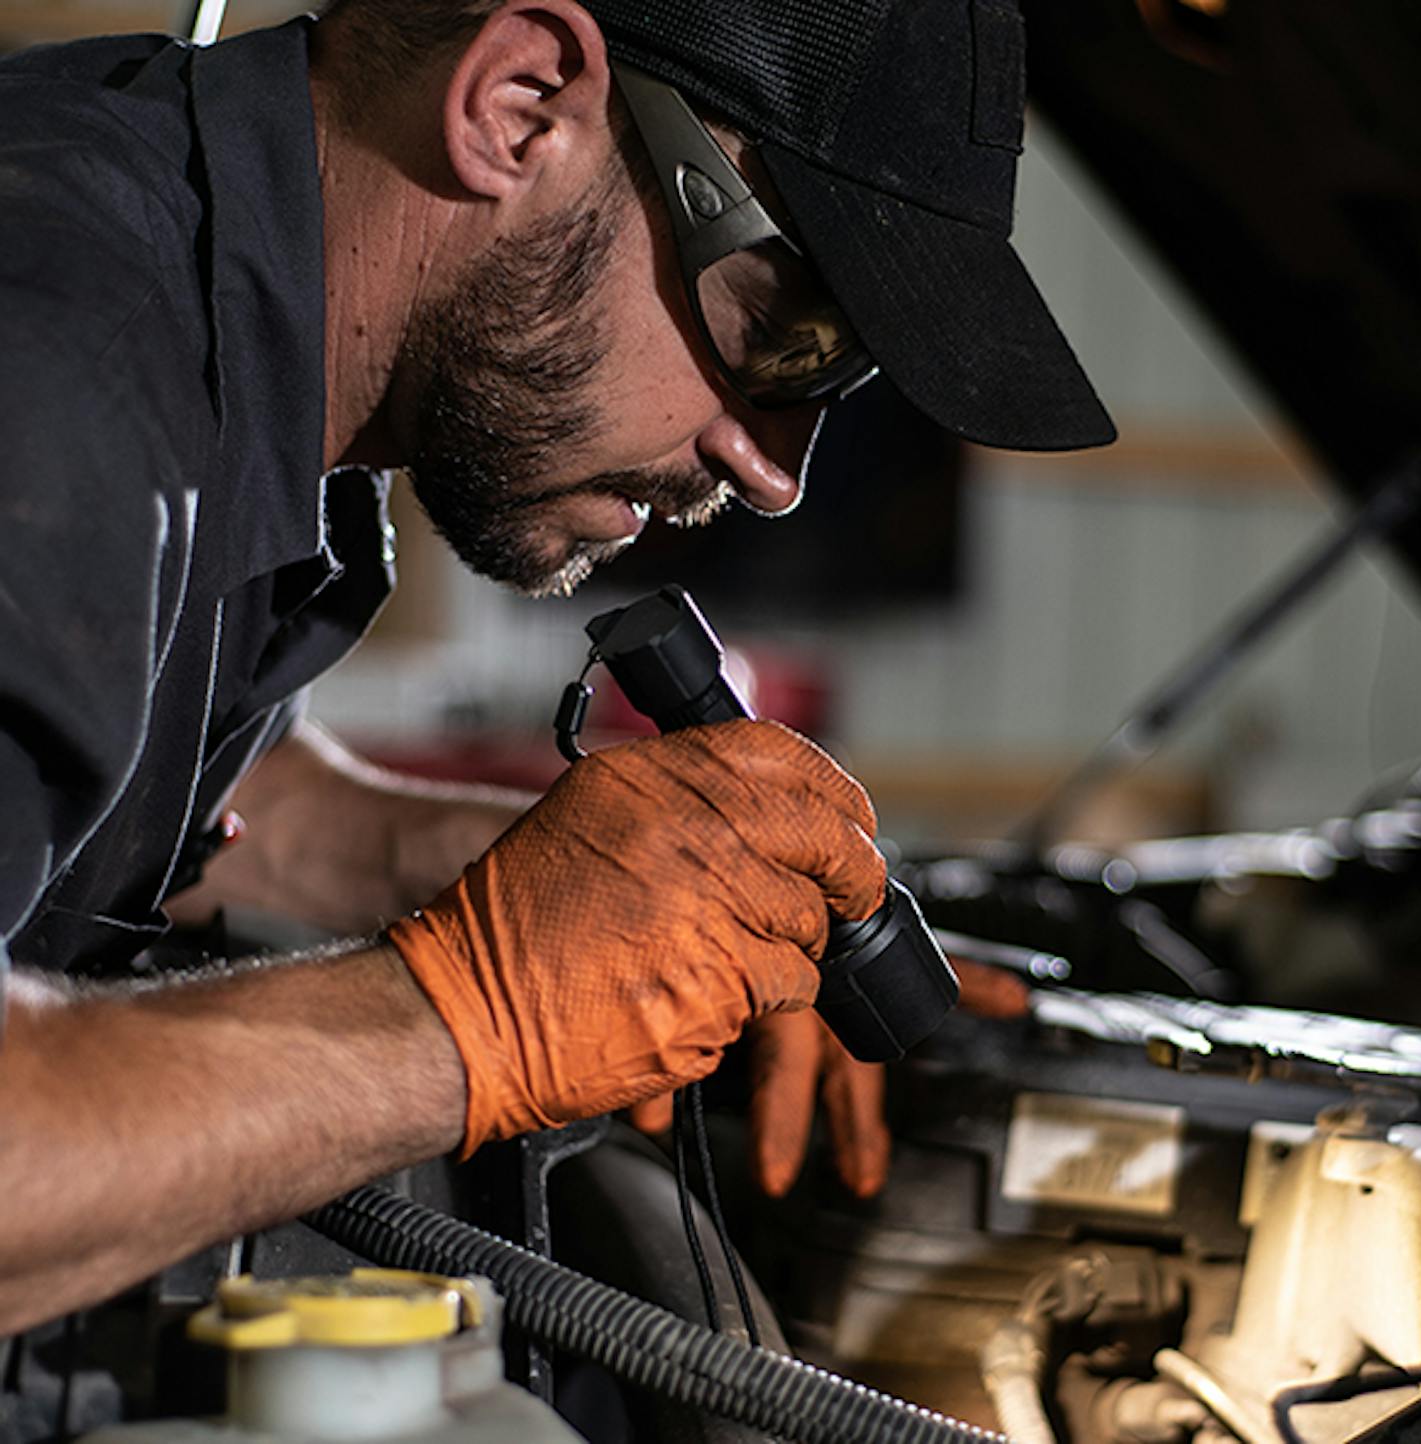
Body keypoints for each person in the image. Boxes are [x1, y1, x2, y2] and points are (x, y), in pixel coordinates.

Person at [0, 0, 1111, 1343]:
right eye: (789, 331)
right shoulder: (56, 363)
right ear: (518, 105)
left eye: (840, 380)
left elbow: (141, 780)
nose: (773, 473)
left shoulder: (226, 322)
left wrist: (561, 900)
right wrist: (473, 1015)